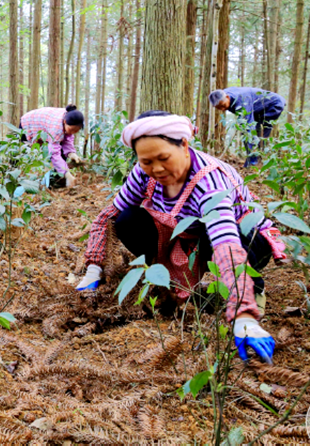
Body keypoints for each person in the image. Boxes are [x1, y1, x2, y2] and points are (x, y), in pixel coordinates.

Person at [75, 111, 288, 363]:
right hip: (187, 235)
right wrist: (93, 269)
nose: (156, 168)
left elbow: (225, 242)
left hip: (241, 237)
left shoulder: (209, 181)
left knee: (228, 237)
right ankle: (168, 282)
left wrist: (244, 315)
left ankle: (248, 293)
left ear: (184, 145)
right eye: (146, 161)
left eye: (164, 158)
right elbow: (108, 215)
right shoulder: (143, 173)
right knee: (128, 219)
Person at [209, 87, 285, 167]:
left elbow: (248, 129)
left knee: (255, 131)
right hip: (258, 108)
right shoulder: (223, 95)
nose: (222, 109)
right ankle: (255, 159)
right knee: (249, 129)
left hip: (273, 105)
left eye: (223, 106)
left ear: (227, 97)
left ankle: (253, 162)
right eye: (219, 108)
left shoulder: (242, 101)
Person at [20, 104, 84, 187]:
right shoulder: (56, 128)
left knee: (61, 154)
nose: (73, 132)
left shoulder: (70, 119)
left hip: (46, 122)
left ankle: (57, 181)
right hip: (28, 124)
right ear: (64, 122)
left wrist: (71, 153)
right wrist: (67, 174)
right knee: (23, 154)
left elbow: (67, 138)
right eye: (71, 130)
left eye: (76, 131)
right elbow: (54, 154)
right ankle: (20, 182)